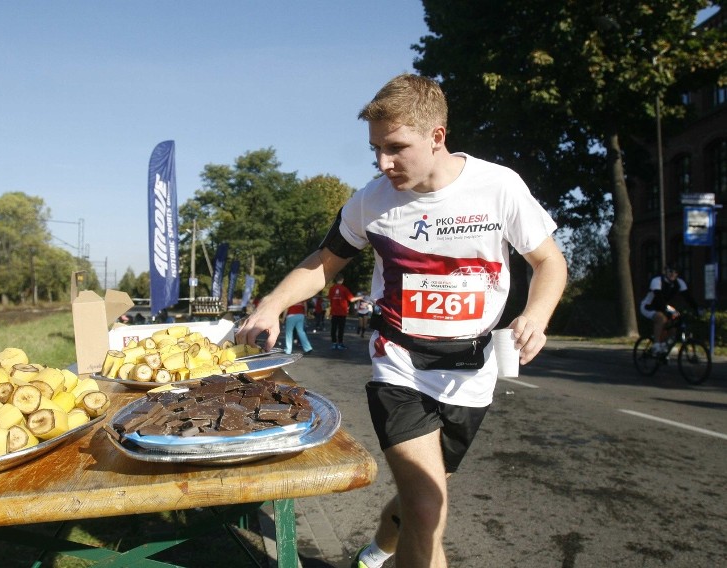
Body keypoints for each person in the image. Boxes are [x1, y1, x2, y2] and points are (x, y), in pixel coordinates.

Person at [235, 73, 567, 567]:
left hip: (471, 374)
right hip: (400, 365)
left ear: (437, 136)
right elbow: (325, 262)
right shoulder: (371, 201)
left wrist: (536, 315)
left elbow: (549, 261)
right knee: (429, 505)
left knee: (424, 495)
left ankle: (374, 554)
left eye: (395, 148)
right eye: (375, 149)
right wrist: (272, 303)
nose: (382, 163)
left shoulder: (499, 187)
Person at [639, 264, 700, 354]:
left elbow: (688, 297)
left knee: (676, 320)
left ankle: (665, 344)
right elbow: (658, 298)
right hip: (649, 306)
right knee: (661, 318)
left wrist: (697, 308)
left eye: (676, 272)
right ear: (666, 271)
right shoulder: (657, 281)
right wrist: (667, 311)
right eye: (671, 271)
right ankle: (656, 345)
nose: (673, 274)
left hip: (663, 306)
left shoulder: (679, 283)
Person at [328, 274, 360, 350]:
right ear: (342, 280)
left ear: (336, 280)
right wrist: (360, 297)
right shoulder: (344, 289)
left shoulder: (331, 289)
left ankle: (334, 343)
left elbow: (330, 298)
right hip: (342, 312)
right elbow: (351, 299)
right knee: (341, 328)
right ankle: (340, 343)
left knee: (333, 328)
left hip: (334, 311)